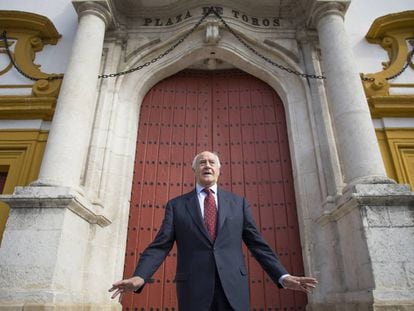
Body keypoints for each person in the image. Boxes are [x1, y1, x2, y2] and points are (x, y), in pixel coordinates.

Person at [109, 151, 318, 310]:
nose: (207, 165)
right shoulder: (177, 206)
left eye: (211, 162)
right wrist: (140, 277)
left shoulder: (238, 204)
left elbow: (257, 244)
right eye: (202, 162)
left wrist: (282, 276)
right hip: (193, 288)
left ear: (219, 169)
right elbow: (160, 246)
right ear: (195, 170)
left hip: (233, 289)